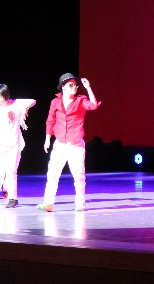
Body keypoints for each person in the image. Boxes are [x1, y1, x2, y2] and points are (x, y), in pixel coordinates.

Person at [37, 73, 100, 212]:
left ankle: (80, 204)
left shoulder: (81, 100)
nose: (74, 87)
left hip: (76, 144)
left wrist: (88, 88)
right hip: (60, 144)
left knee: (79, 176)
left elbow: (94, 105)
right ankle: (48, 202)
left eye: (76, 85)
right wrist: (47, 139)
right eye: (71, 85)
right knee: (52, 174)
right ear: (63, 87)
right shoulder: (55, 102)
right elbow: (50, 120)